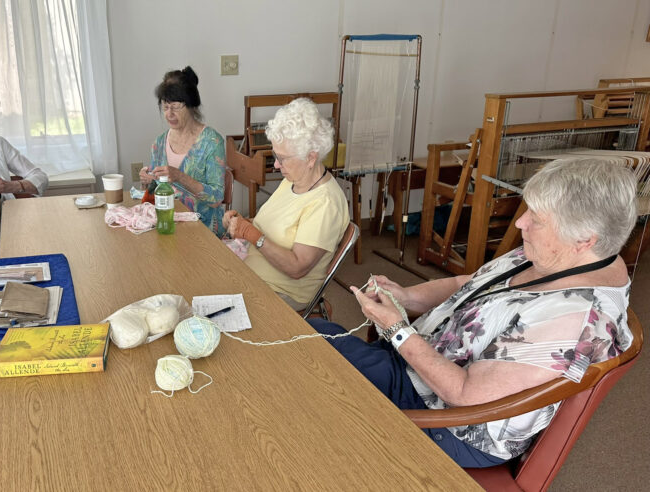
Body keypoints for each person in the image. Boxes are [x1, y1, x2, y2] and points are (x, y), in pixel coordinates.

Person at [309, 158, 637, 467]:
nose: (521, 222)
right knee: (315, 333)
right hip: (420, 367)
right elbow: (471, 283)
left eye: (536, 219)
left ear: (584, 239)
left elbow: (464, 394)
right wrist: (406, 297)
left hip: (448, 422)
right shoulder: (562, 254)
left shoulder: (573, 320)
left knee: (307, 364)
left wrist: (397, 330)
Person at [223, 98, 349, 310]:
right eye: (275, 155)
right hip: (252, 272)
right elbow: (273, 226)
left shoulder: (325, 203)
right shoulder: (293, 180)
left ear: (311, 158)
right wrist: (241, 224)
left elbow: (297, 267)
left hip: (283, 292)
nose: (277, 165)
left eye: (282, 158)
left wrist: (251, 234)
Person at [139, 66, 226, 236]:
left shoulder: (211, 142)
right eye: (165, 107)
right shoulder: (159, 143)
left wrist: (179, 176)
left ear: (191, 105)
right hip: (167, 227)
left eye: (176, 107)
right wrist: (147, 181)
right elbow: (156, 191)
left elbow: (216, 198)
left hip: (203, 231)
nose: (169, 114)